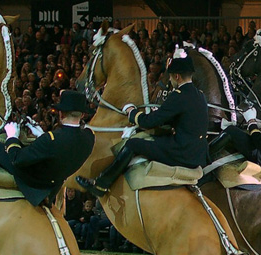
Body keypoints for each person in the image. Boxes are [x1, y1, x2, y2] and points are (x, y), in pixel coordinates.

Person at [77, 54, 208, 197]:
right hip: (198, 152)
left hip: (182, 152)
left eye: (170, 77)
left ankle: (102, 184)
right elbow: (184, 119)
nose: (170, 80)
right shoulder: (200, 95)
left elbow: (148, 122)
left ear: (177, 76)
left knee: (133, 144)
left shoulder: (178, 95)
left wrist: (131, 112)